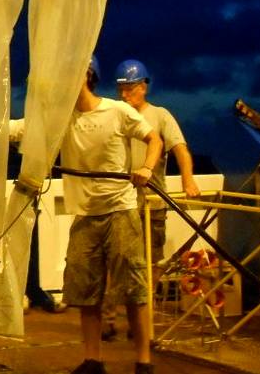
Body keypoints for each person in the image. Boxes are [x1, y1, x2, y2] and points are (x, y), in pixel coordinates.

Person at [61, 56, 163, 374]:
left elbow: (154, 139)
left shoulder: (117, 111)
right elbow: (25, 130)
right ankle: (93, 361)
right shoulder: (62, 118)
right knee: (85, 289)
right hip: (85, 214)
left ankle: (143, 362)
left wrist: (146, 168)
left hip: (120, 210)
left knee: (133, 287)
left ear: (87, 75)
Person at [101, 58, 201, 341]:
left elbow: (180, 148)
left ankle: (141, 322)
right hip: (121, 201)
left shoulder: (160, 116)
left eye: (130, 88)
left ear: (144, 86)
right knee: (115, 261)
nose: (124, 94)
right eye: (121, 88)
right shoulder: (116, 114)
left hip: (153, 203)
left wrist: (188, 179)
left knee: (151, 263)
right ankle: (109, 319)